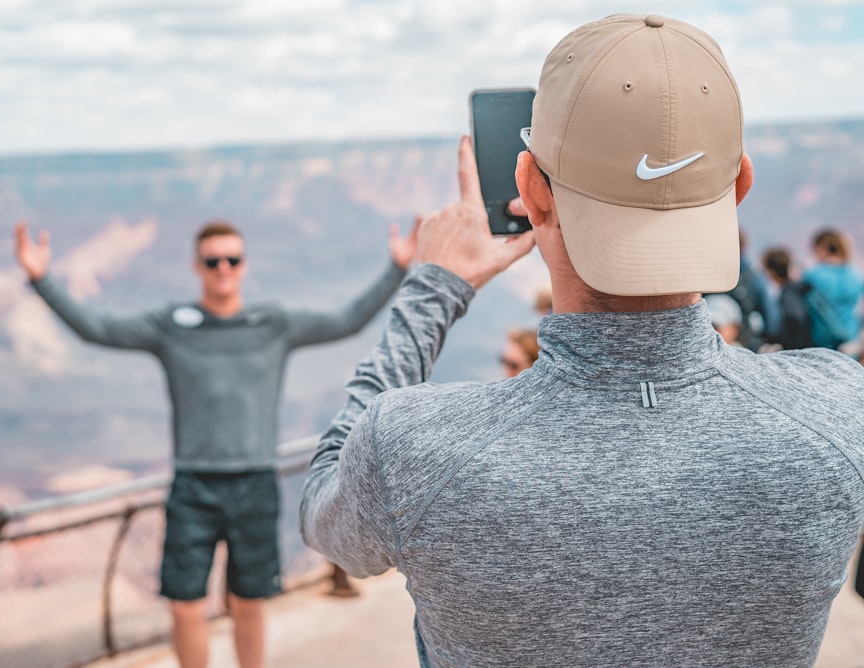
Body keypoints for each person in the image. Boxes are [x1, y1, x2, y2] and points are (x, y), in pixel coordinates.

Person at [300, 14, 864, 666]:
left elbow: (322, 507)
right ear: (738, 187)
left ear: (532, 191)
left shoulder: (412, 447)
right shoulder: (839, 411)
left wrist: (433, 290)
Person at [14, 218, 416, 668]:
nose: (223, 268)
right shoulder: (171, 326)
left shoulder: (272, 324)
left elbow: (348, 321)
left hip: (255, 483)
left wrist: (397, 268)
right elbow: (96, 328)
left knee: (248, 601)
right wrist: (40, 279)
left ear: (244, 265)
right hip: (193, 486)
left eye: (232, 259)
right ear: (198, 267)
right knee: (185, 603)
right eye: (213, 261)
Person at [803, 229, 864, 350]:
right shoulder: (856, 275)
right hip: (850, 339)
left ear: (822, 248)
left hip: (821, 342)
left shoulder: (813, 275)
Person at [761, 246, 814, 350]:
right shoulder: (796, 288)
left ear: (772, 272)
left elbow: (795, 317)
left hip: (797, 346)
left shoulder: (788, 293)